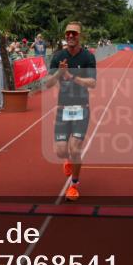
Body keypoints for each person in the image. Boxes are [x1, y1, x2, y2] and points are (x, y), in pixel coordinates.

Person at [43, 21, 97, 201]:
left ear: (80, 36)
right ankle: (67, 161)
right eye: (68, 33)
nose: (71, 36)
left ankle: (74, 185)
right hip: (62, 109)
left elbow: (93, 83)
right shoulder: (58, 56)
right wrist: (59, 73)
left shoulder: (88, 57)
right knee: (60, 151)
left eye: (74, 33)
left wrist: (72, 77)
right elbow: (48, 83)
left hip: (82, 108)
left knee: (74, 149)